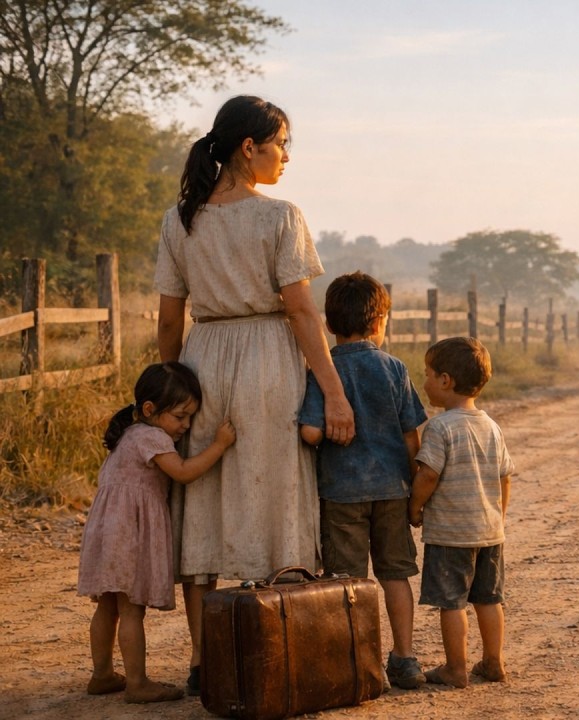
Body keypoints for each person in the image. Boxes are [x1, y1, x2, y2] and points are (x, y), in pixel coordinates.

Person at [155, 95, 355, 696]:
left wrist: (173, 389)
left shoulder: (180, 218)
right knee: (277, 498)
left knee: (204, 504)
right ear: (251, 147)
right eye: (282, 144)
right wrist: (334, 392)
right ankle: (280, 649)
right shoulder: (280, 217)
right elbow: (298, 310)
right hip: (268, 358)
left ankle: (202, 662)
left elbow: (169, 319)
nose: (287, 157)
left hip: (201, 360)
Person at [298, 271, 429, 690]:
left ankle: (357, 659)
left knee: (347, 583)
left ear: (330, 324)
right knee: (395, 575)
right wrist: (412, 491)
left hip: (341, 493)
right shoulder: (394, 368)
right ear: (379, 323)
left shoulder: (323, 371)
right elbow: (412, 435)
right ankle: (405, 658)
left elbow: (312, 433)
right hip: (392, 488)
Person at [78, 362, 236, 704]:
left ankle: (102, 674)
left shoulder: (129, 433)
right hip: (128, 534)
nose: (186, 425)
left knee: (107, 606)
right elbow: (182, 472)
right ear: (150, 410)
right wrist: (219, 445)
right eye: (180, 416)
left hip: (108, 531)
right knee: (132, 608)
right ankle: (137, 683)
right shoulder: (152, 437)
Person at [409, 337, 514, 689]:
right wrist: (498, 516)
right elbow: (504, 478)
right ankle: (493, 661)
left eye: (427, 374)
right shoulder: (491, 426)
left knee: (452, 602)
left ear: (445, 380)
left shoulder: (440, 427)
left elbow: (428, 474)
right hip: (489, 531)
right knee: (489, 598)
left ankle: (455, 668)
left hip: (450, 534)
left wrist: (414, 506)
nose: (423, 382)